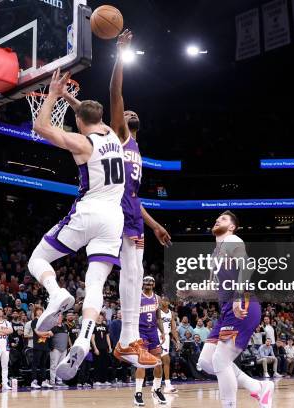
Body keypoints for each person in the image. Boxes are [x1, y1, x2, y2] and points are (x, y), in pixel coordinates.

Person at [27, 68, 126, 381]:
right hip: (114, 218)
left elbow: (40, 126)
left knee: (38, 259)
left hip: (89, 211)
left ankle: (56, 294)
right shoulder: (111, 133)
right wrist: (70, 98)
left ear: (80, 121)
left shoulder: (83, 143)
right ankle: (84, 338)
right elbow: (86, 113)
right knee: (95, 284)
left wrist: (54, 94)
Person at [103, 29, 171, 370]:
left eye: (131, 112)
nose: (129, 112)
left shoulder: (137, 150)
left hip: (131, 212)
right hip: (111, 209)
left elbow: (137, 197)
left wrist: (156, 224)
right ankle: (119, 335)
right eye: (125, 112)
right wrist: (120, 52)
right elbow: (115, 91)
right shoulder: (120, 135)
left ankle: (128, 340)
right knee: (116, 272)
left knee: (135, 272)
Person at [197, 211, 273, 408]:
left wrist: (238, 297)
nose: (217, 220)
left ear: (231, 226)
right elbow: (213, 289)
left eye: (222, 219)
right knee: (206, 362)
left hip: (243, 302)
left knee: (220, 359)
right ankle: (258, 387)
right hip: (226, 311)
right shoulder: (215, 254)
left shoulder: (233, 239)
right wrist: (190, 292)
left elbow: (247, 266)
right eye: (216, 218)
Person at [133, 276, 166, 405]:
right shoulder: (137, 297)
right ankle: (138, 393)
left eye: (150, 283)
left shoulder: (157, 298)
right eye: (146, 283)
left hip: (153, 332)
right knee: (142, 362)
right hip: (140, 332)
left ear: (153, 285)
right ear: (142, 284)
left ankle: (156, 389)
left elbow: (158, 318)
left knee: (158, 362)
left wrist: (162, 332)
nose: (148, 285)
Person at [159, 296, 180, 394]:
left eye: (166, 300)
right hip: (157, 335)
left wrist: (177, 341)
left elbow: (173, 329)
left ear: (168, 302)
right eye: (163, 299)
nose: (164, 301)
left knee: (165, 360)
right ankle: (161, 384)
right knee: (161, 360)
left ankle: (164, 384)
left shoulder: (171, 313)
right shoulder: (157, 311)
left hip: (166, 337)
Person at [30, 306, 53, 389]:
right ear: (35, 312)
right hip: (38, 345)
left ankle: (43, 381)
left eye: (41, 310)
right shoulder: (34, 321)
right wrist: (47, 333)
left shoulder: (45, 322)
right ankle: (34, 381)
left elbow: (52, 334)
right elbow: (38, 333)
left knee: (43, 364)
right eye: (38, 310)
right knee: (35, 364)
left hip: (45, 345)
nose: (40, 312)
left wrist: (48, 334)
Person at [91, 314, 112, 387]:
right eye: (98, 317)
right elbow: (92, 338)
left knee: (105, 364)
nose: (100, 318)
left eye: (101, 317)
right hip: (98, 348)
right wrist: (95, 348)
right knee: (97, 364)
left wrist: (109, 347)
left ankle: (105, 380)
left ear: (103, 318)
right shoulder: (93, 326)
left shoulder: (105, 326)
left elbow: (107, 337)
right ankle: (97, 380)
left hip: (104, 348)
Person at [49, 313, 69, 387]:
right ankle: (52, 381)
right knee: (53, 365)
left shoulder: (65, 326)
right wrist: (52, 347)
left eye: (60, 317)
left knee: (61, 366)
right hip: (55, 349)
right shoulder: (52, 327)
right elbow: (49, 338)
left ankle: (60, 381)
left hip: (64, 349)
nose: (59, 318)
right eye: (58, 317)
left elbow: (67, 337)